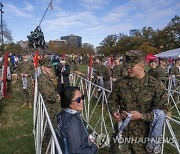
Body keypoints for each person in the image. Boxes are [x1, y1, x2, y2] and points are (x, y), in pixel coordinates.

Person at [108, 50, 169, 154]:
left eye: (131, 66)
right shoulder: (121, 83)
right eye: (126, 65)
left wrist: (141, 116)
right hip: (122, 135)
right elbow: (112, 100)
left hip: (143, 139)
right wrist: (114, 112)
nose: (128, 68)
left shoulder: (155, 85)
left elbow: (162, 110)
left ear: (142, 66)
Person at [56, 86, 98, 154]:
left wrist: (88, 138)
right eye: (78, 100)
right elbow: (77, 152)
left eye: (82, 97)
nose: (82, 101)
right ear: (69, 102)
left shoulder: (62, 114)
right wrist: (94, 147)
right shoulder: (71, 123)